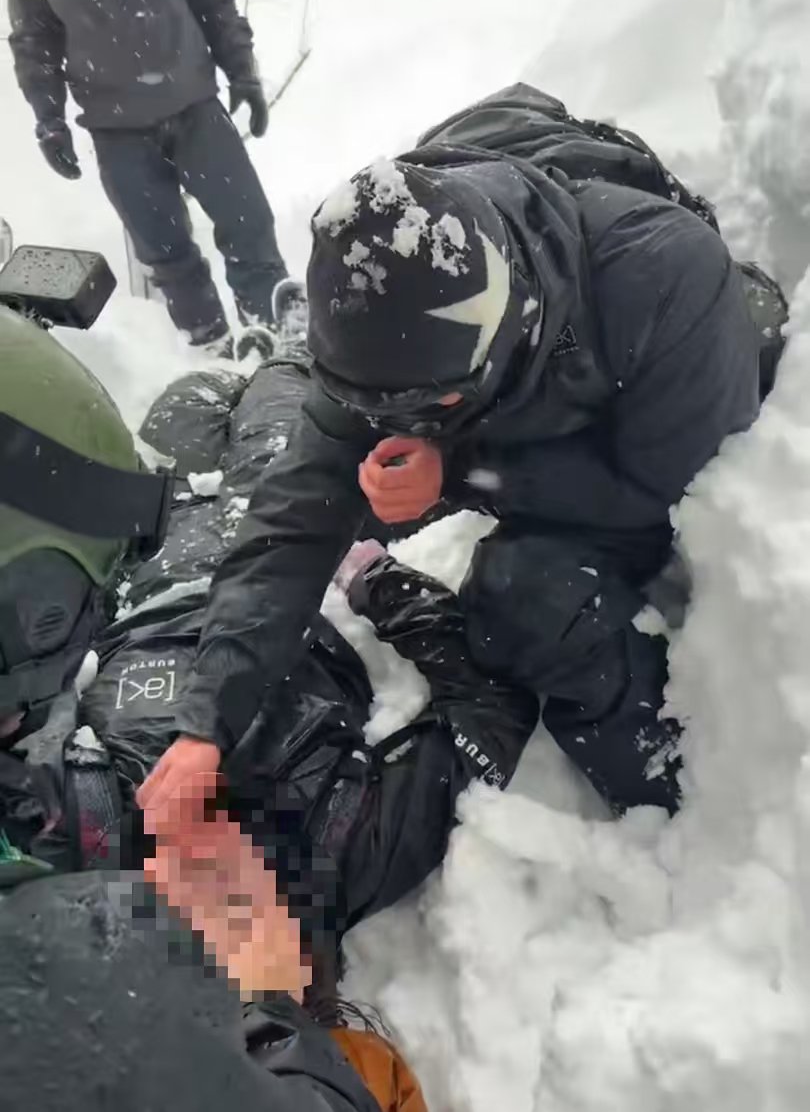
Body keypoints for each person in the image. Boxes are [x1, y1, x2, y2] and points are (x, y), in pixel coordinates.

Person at [141, 83, 788, 823]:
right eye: (376, 406)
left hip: (668, 390)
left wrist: (463, 475)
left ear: (498, 346)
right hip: (517, 390)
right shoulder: (383, 304)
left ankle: (685, 799)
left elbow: (663, 493)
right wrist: (207, 723)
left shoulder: (663, 278)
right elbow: (293, 519)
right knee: (334, 485)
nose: (394, 422)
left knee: (532, 601)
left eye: (424, 407)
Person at [0, 303, 408, 1112]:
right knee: (285, 398)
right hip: (277, 555)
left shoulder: (86, 834)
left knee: (185, 407)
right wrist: (385, 589)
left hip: (150, 567)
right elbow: (484, 710)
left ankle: (255, 351)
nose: (198, 890)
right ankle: (287, 343)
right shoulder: (340, 843)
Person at [7, 0, 288, 354]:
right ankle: (216, 355)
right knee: (169, 258)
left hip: (194, 104)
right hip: (115, 127)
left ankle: (279, 342)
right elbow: (33, 34)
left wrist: (243, 72)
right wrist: (49, 117)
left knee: (249, 226)